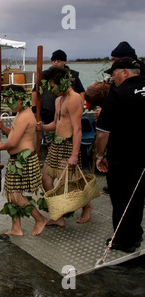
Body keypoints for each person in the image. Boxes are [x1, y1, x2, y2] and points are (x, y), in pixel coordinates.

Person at [95, 57, 145, 253]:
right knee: (138, 196)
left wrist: (100, 156)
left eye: (114, 73)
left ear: (125, 72)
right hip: (142, 156)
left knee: (121, 198)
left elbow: (103, 132)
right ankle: (137, 234)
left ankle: (123, 240)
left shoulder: (118, 94)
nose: (112, 78)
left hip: (123, 157)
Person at [36, 66, 93, 225]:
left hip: (68, 145)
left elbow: (77, 129)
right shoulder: (58, 100)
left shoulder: (74, 99)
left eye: (52, 86)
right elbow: (56, 123)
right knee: (46, 180)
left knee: (67, 183)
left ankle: (87, 206)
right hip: (56, 144)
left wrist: (74, 154)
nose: (50, 89)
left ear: (61, 83)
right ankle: (59, 215)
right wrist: (42, 127)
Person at [0, 85, 48, 236]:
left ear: (19, 99)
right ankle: (16, 227)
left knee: (15, 195)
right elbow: (13, 134)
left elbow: (12, 143)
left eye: (10, 101)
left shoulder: (24, 116)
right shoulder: (20, 113)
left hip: (23, 160)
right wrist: (3, 127)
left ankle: (40, 219)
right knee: (11, 194)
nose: (8, 105)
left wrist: (0, 146)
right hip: (17, 160)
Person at [32, 49, 85, 148]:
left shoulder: (73, 76)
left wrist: (80, 107)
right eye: (54, 61)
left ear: (64, 62)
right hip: (48, 113)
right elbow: (35, 91)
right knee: (49, 143)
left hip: (68, 116)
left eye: (59, 61)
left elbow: (82, 91)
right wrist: (34, 109)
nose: (56, 63)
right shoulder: (44, 75)